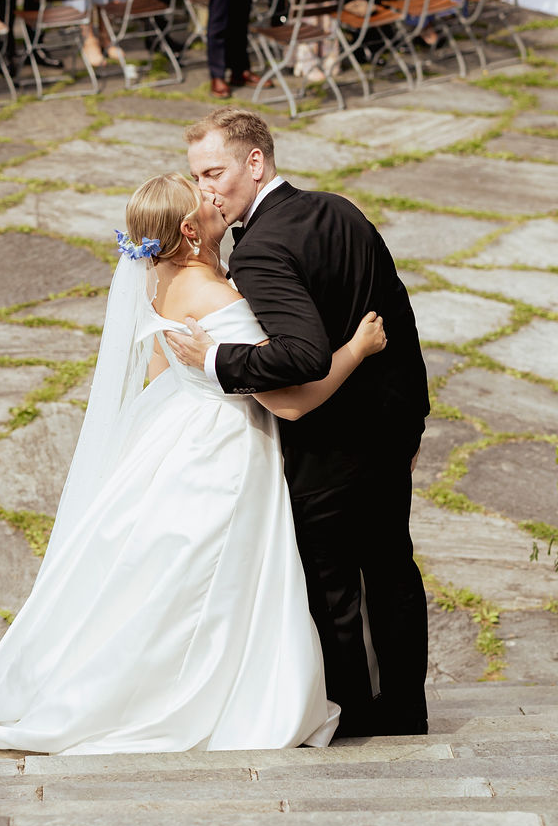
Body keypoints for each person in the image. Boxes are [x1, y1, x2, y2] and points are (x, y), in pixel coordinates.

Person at [0, 172, 389, 753]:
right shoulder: (217, 298)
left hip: (175, 439)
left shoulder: (161, 287)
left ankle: (114, 687)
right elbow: (288, 402)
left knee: (153, 579)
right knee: (216, 582)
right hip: (226, 452)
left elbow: (161, 375)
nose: (214, 199)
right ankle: (196, 697)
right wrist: (357, 349)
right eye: (203, 199)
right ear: (188, 229)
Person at [168, 109, 430, 738]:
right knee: (393, 567)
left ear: (254, 162)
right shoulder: (339, 208)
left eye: (214, 172)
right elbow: (397, 310)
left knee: (333, 587)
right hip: (390, 425)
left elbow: (304, 355)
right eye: (197, 176)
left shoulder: (258, 249)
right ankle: (406, 710)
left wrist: (213, 357)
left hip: (328, 440)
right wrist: (411, 418)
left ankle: (356, 715)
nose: (204, 189)